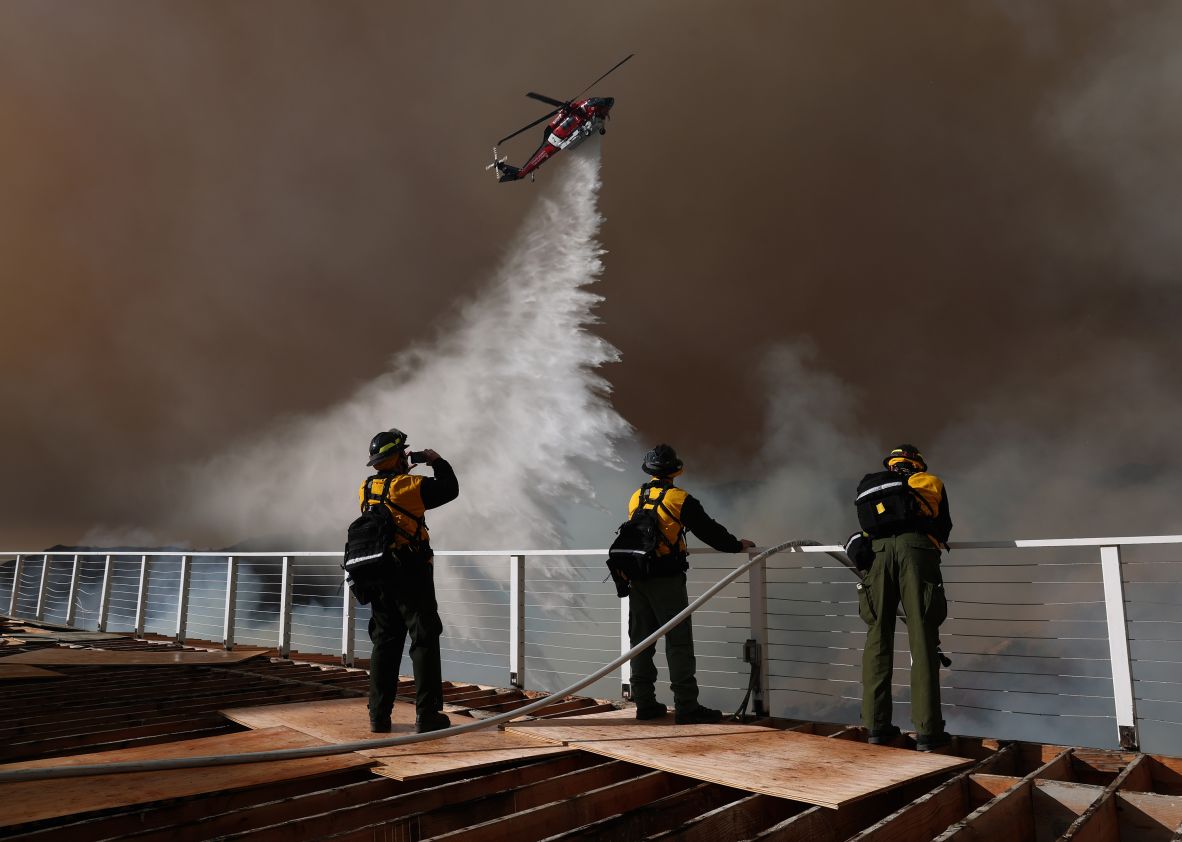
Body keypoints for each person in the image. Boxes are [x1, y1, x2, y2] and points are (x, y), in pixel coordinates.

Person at [624, 444, 756, 724]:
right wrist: (736, 545)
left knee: (641, 642)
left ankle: (645, 704)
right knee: (678, 642)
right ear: (675, 471)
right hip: (667, 580)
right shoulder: (679, 499)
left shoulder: (637, 497)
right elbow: (710, 532)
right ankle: (686, 706)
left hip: (638, 578)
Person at [360, 427, 459, 734]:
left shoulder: (366, 487)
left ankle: (378, 717)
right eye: (402, 452)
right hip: (411, 573)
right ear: (395, 457)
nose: (406, 455)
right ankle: (427, 715)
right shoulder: (409, 486)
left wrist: (402, 475)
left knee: (385, 642)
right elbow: (450, 489)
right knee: (424, 639)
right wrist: (436, 460)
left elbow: (391, 504)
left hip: (378, 574)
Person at [855, 444, 952, 751]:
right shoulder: (929, 481)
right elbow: (943, 526)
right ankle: (928, 731)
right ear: (917, 463)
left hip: (878, 556)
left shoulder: (875, 487)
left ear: (892, 464)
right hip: (916, 552)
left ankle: (876, 727)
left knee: (877, 638)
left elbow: (867, 529)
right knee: (922, 637)